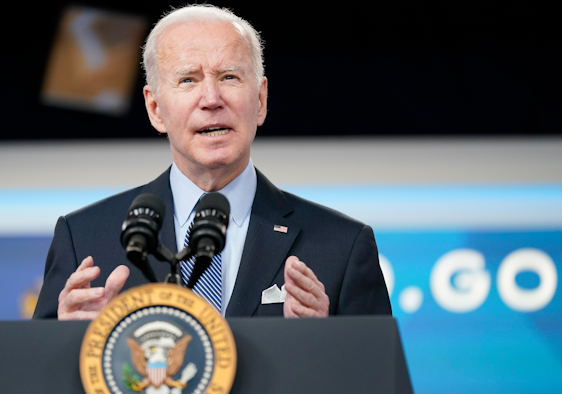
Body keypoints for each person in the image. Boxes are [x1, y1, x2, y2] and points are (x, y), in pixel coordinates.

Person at [33, 4, 391, 320]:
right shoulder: (84, 241)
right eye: (188, 80)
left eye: (229, 77)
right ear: (155, 109)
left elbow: (378, 379)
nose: (211, 98)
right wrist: (68, 348)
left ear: (261, 100)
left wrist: (328, 347)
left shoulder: (342, 247)